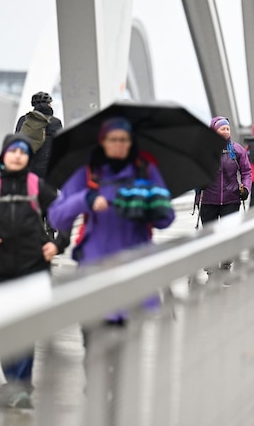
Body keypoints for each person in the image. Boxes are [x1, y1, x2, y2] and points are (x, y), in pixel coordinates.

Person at [0, 133, 70, 409]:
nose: (18, 155)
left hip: (33, 268)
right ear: (4, 156)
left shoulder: (39, 187)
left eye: (23, 152)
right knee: (3, 328)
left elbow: (64, 217)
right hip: (0, 270)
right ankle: (11, 382)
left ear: (28, 157)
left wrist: (56, 245)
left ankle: (20, 385)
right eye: (13, 151)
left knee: (26, 327)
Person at [47, 117, 175, 312]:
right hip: (95, 268)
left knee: (132, 339)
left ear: (131, 142)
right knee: (96, 338)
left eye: (124, 139)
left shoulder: (145, 171)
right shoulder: (88, 173)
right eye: (112, 139)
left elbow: (166, 220)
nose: (118, 145)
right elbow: (56, 217)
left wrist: (151, 205)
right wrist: (85, 199)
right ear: (102, 141)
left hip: (135, 267)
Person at [197, 117, 252, 226]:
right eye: (222, 129)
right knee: (209, 236)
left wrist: (246, 188)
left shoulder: (237, 150)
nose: (226, 132)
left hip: (231, 200)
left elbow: (246, 172)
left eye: (228, 129)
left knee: (229, 234)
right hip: (208, 200)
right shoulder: (203, 150)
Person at [14, 91, 63, 178]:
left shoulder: (23, 120)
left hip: (27, 168)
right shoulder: (55, 122)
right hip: (47, 170)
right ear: (48, 105)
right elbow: (61, 145)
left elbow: (15, 140)